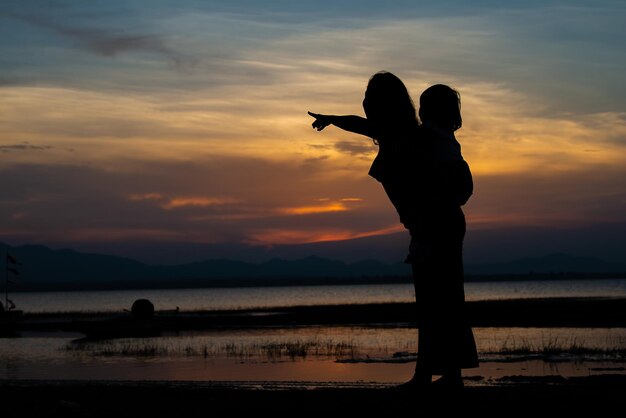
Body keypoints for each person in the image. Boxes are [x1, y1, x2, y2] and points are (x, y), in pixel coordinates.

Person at [308, 73, 478, 390]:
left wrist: (426, 225)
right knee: (442, 302)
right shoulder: (425, 137)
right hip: (438, 225)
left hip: (435, 226)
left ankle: (434, 376)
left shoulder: (418, 138)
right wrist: (333, 119)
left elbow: (367, 127)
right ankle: (443, 376)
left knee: (435, 303)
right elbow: (365, 125)